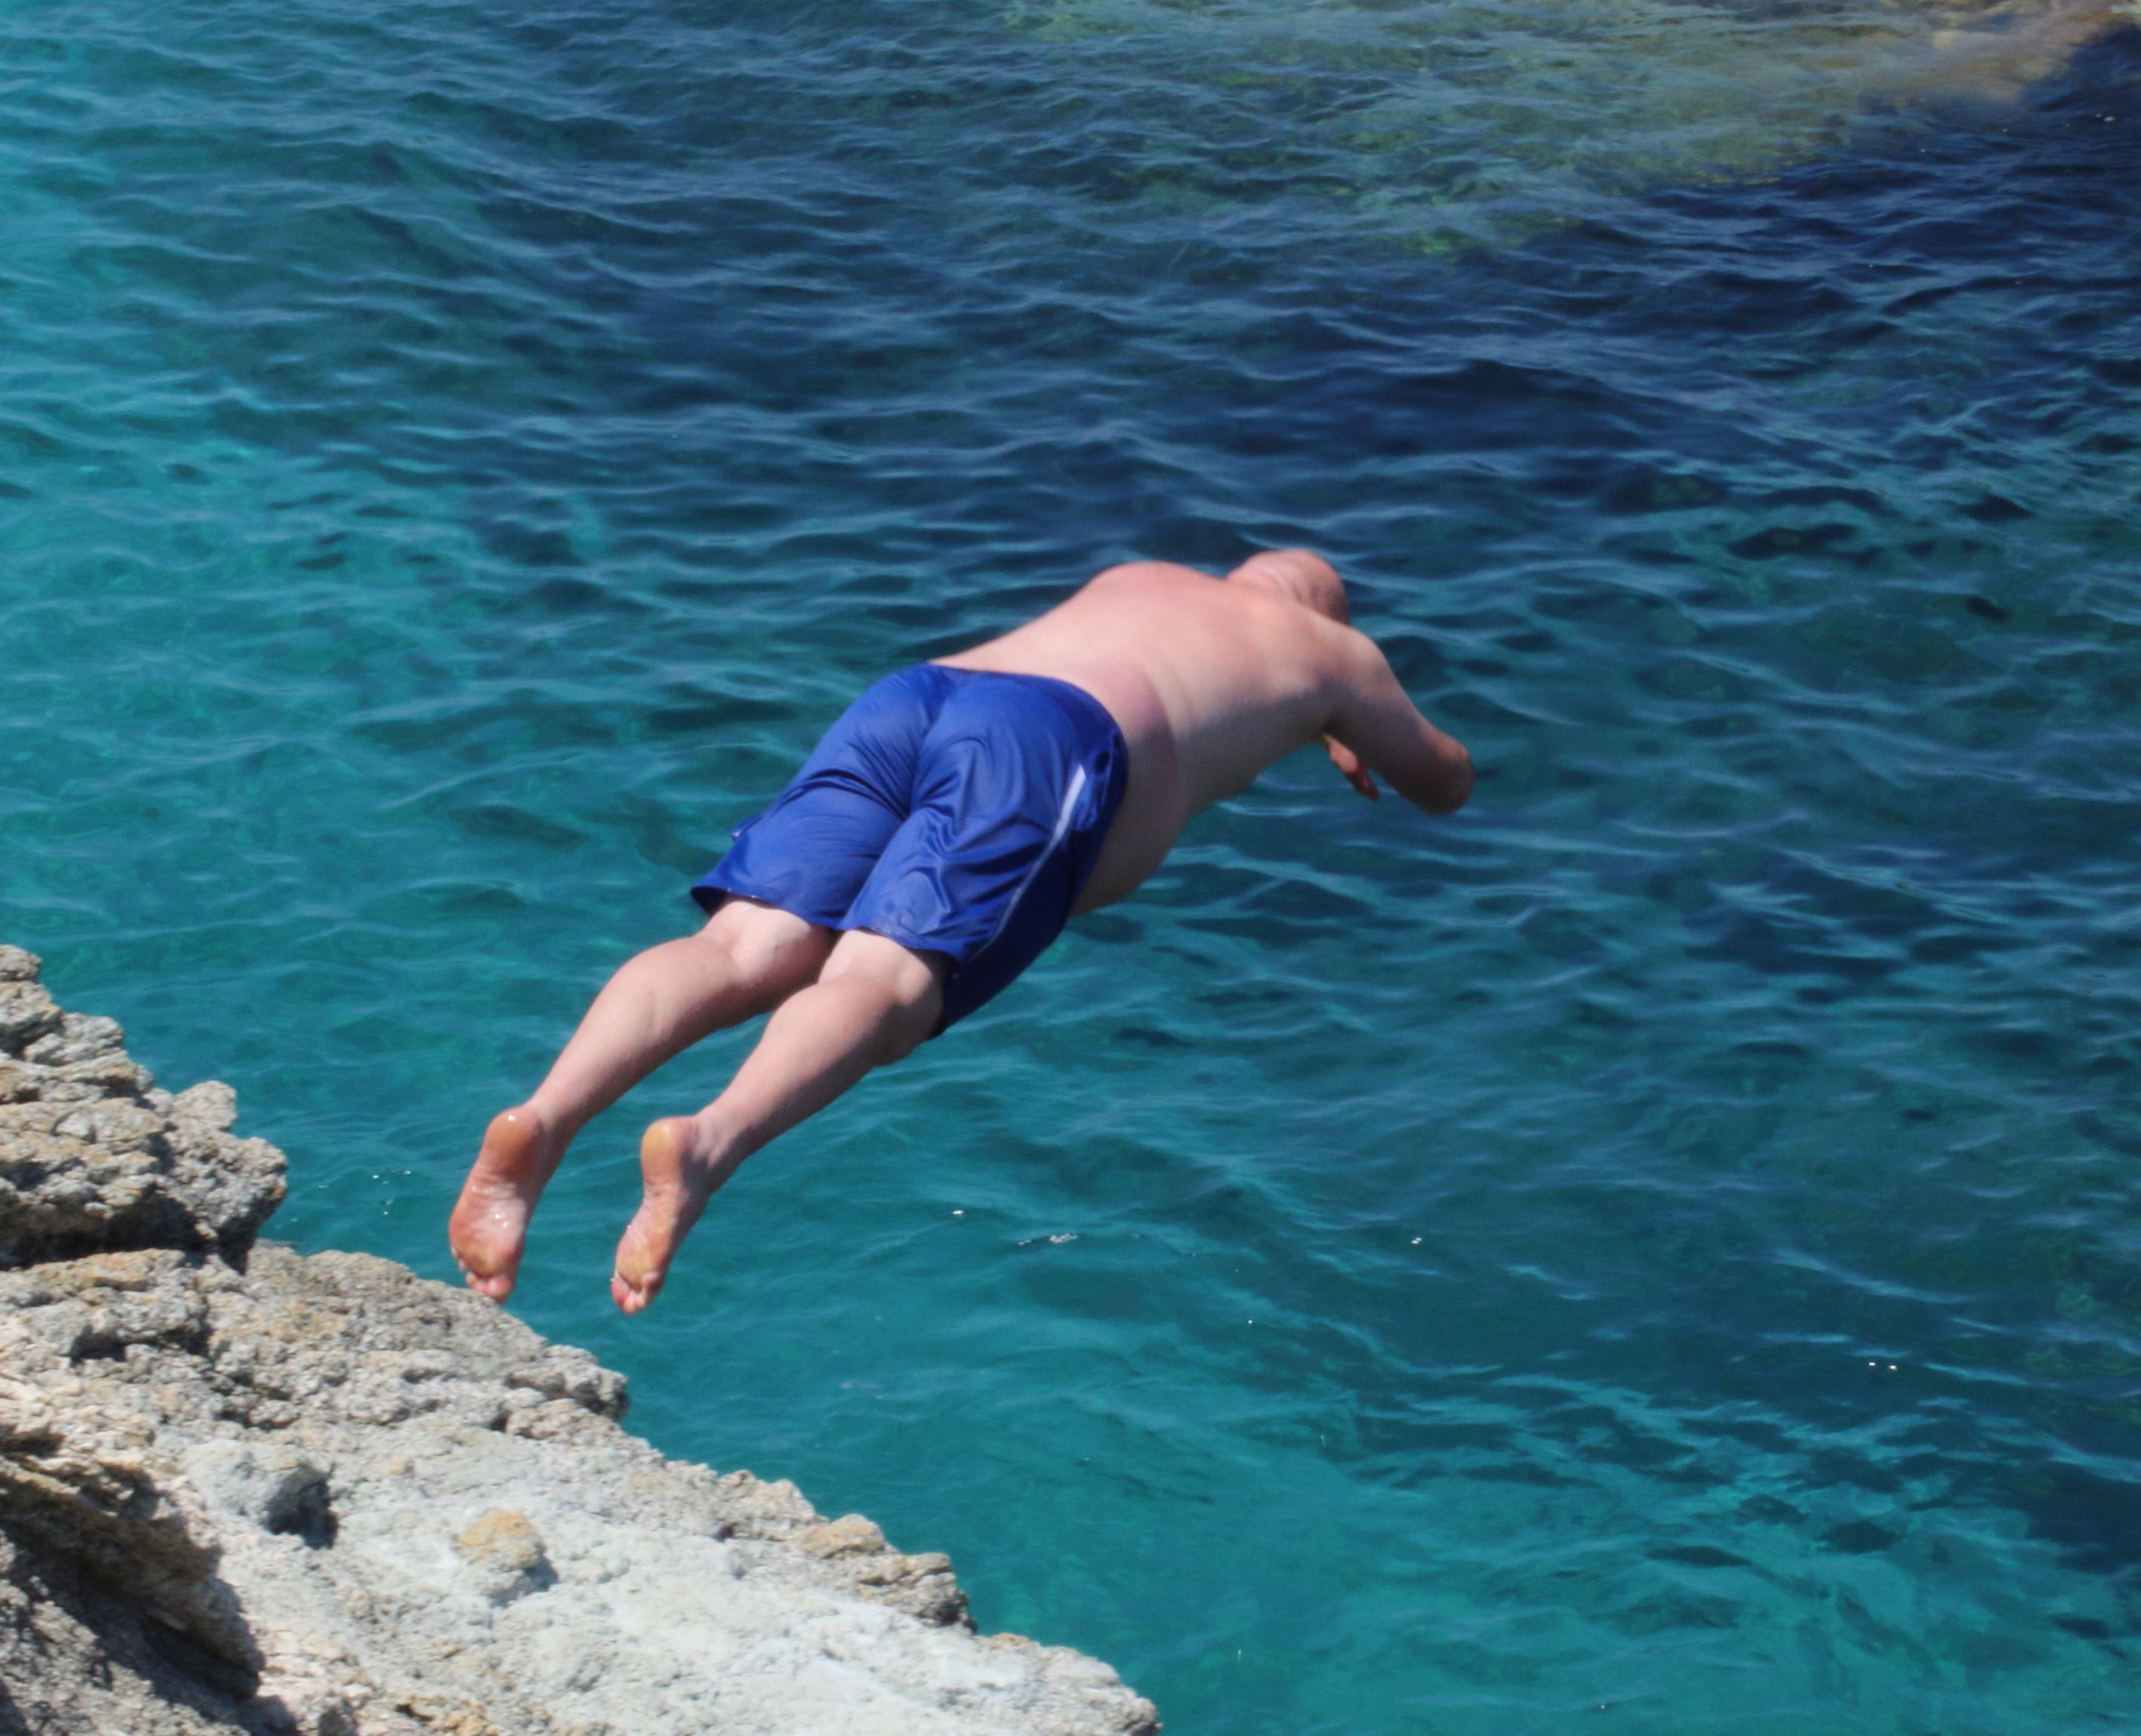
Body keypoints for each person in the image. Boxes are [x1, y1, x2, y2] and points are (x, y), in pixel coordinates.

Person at [445, 551, 1472, 1313]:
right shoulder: (1330, 651)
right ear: (1325, 609)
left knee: (745, 949)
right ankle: (707, 1142)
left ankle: (545, 1117)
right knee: (882, 987)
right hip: (1053, 740)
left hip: (920, 695)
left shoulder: (1145, 576)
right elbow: (1442, 778)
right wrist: (1343, 719)